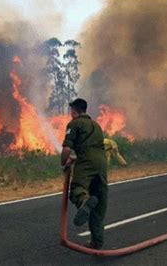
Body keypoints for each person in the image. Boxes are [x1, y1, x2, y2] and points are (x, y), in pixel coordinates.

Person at [61, 98, 108, 250]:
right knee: (99, 202)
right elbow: (92, 147)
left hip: (86, 163)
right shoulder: (97, 125)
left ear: (74, 111)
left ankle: (84, 201)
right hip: (101, 164)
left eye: (71, 112)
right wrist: (77, 156)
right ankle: (97, 242)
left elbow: (67, 149)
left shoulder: (74, 123)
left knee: (77, 188)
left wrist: (64, 161)